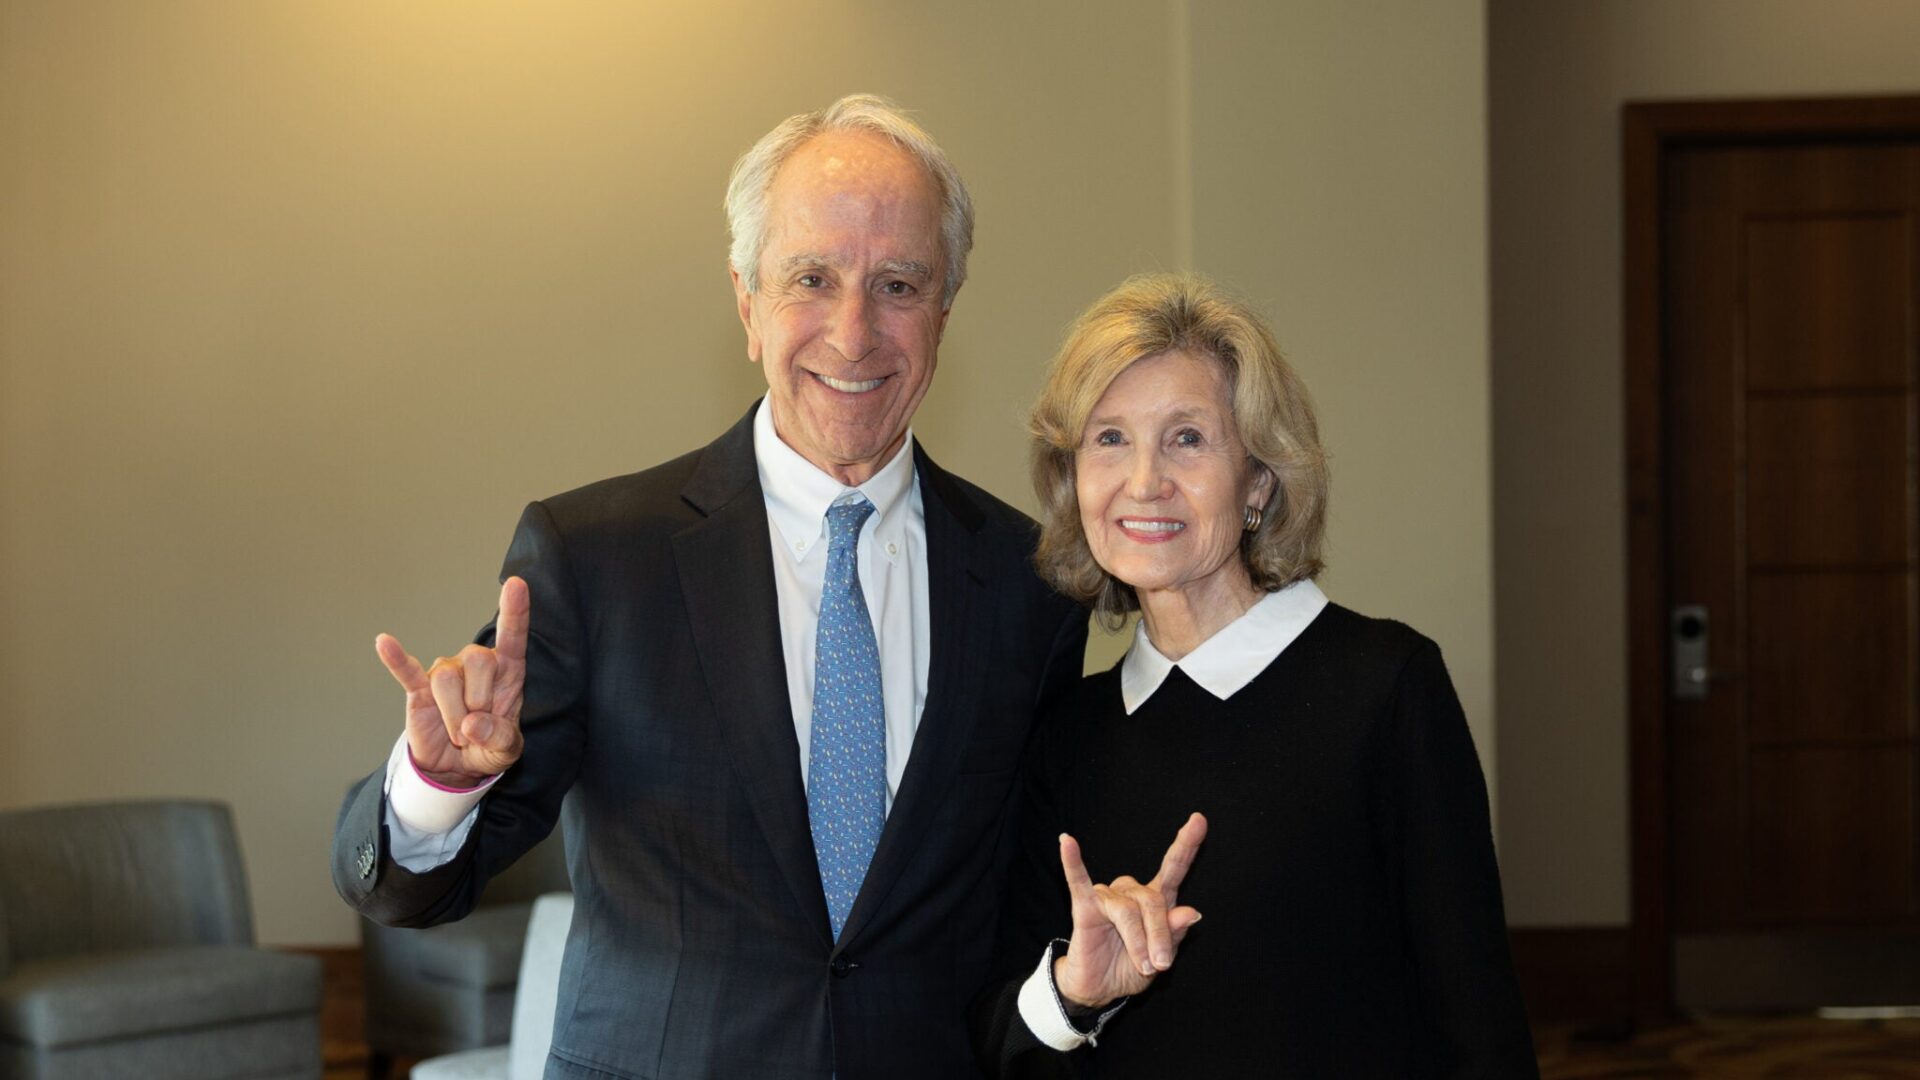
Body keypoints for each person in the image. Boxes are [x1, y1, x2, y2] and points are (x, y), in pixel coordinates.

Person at [332, 95, 1088, 1080]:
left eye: (899, 284)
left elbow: (1021, 917)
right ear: (746, 304)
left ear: (944, 312)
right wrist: (440, 784)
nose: (854, 334)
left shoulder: (1033, 585)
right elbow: (411, 890)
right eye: (810, 279)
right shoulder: (599, 556)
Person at [971, 274, 1538, 1077]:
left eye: (1188, 438)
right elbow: (1000, 1040)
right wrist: (1074, 995)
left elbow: (1476, 1019)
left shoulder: (1386, 689)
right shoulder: (1066, 729)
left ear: (1259, 482)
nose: (1143, 482)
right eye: (1109, 439)